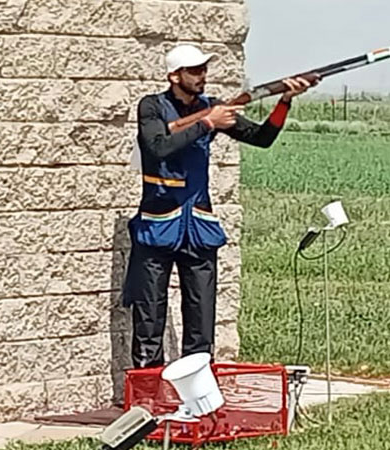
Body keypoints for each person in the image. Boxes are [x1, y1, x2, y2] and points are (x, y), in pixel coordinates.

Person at [123, 44, 314, 368]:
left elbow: (261, 137)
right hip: (156, 226)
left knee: (201, 323)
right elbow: (157, 148)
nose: (202, 76)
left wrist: (284, 100)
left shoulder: (212, 107)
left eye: (203, 70)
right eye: (194, 70)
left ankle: (196, 398)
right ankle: (147, 399)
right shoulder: (152, 107)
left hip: (198, 227)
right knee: (149, 321)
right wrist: (207, 124)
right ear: (174, 76)